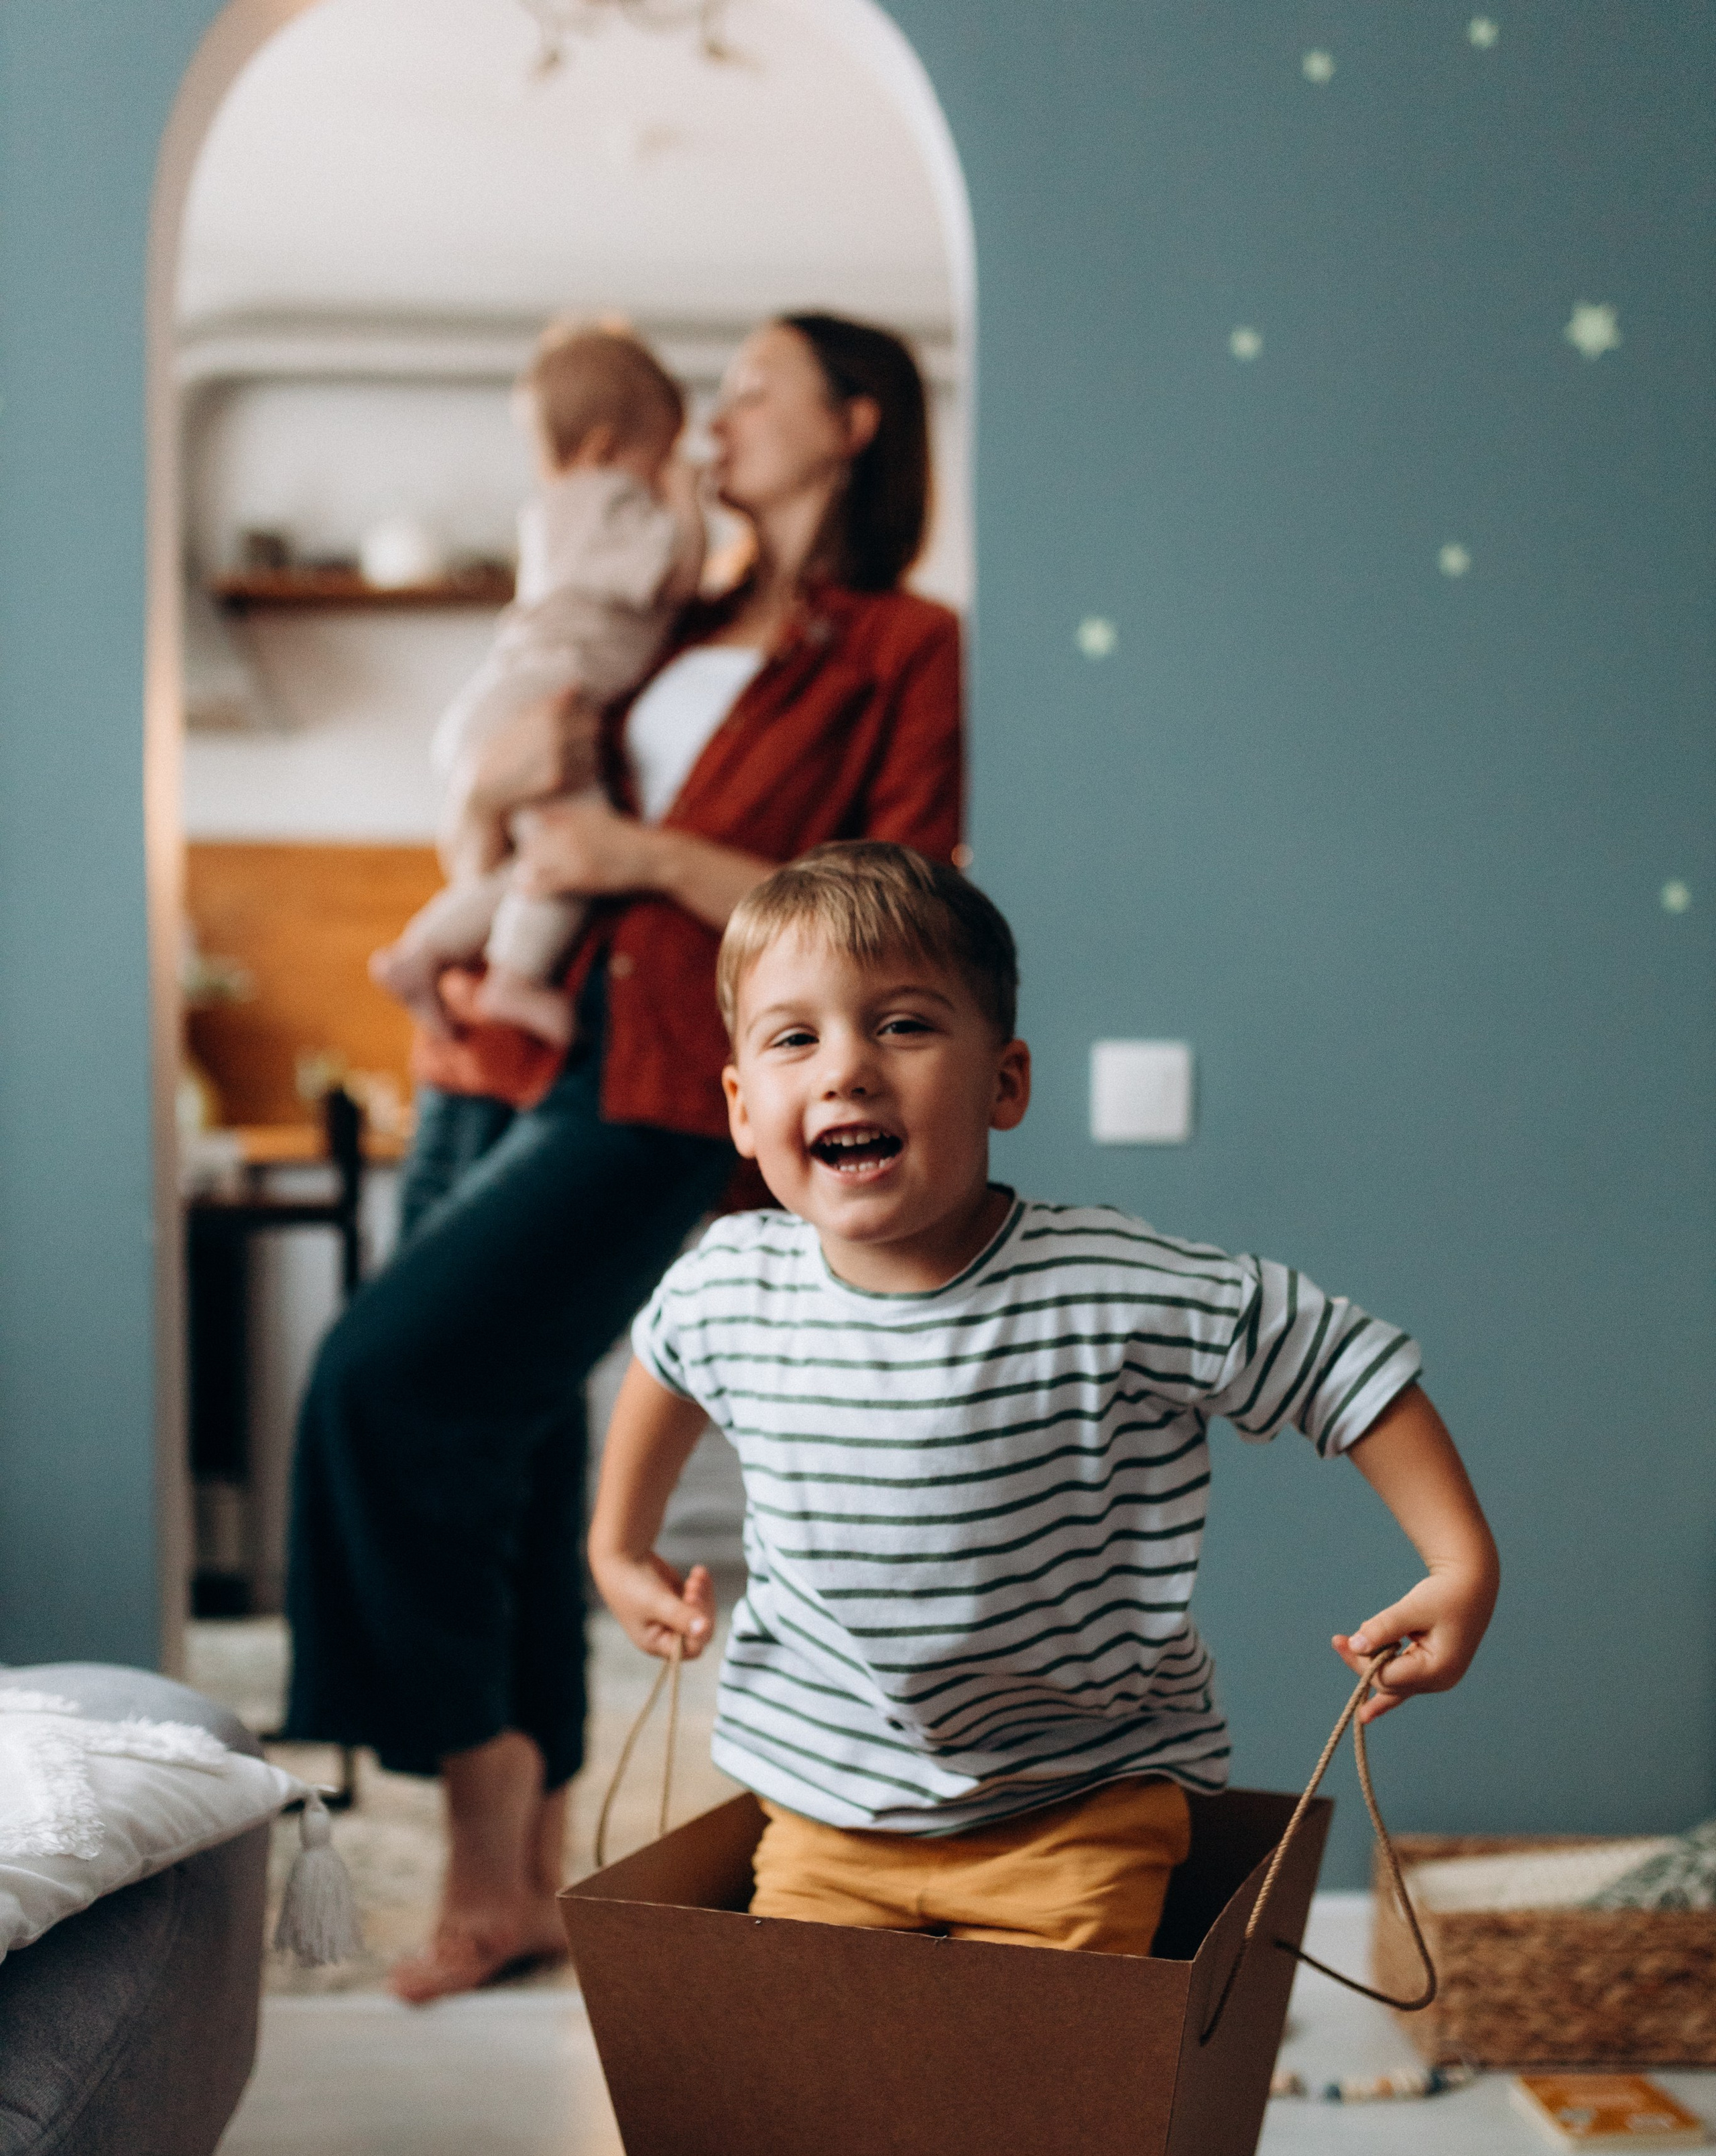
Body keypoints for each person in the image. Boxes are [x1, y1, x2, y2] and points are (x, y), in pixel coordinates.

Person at [285, 315, 962, 2002]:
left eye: (752, 385)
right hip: (491, 1043)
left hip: (664, 1079)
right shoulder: (662, 616)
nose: (715, 411)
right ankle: (513, 1876)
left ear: (853, 423)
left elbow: (899, 915)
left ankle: (480, 1839)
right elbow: (516, 812)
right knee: (497, 1434)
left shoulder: (899, 643)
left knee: (380, 1383)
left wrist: (644, 850)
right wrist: (489, 824)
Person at [589, 845, 1500, 1953]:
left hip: (1074, 1816)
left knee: (1037, 2113)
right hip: (823, 1816)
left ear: (1005, 1081)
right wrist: (618, 1546)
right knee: (821, 2105)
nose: (846, 1070)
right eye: (795, 1038)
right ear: (741, 1106)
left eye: (904, 1025)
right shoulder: (731, 1279)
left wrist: (1460, 1564)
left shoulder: (1110, 1287)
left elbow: (1338, 1359)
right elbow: (665, 1360)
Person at [369, 324, 705, 1046]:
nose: (664, 472)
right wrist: (687, 500)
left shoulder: (565, 511)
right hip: (540, 698)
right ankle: (515, 979)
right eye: (661, 455)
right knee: (572, 854)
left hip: (506, 700)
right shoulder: (604, 501)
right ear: (606, 450)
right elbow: (677, 575)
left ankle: (419, 952)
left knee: (527, 870)